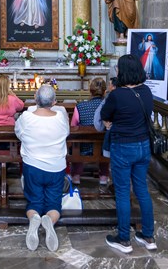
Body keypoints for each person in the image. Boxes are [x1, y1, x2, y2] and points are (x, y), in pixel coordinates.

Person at [101, 54, 157, 253]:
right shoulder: (147, 91)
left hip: (123, 146)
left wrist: (111, 123)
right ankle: (148, 236)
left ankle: (124, 238)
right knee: (141, 189)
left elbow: (105, 115)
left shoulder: (117, 95)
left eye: (118, 68)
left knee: (123, 192)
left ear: (122, 71)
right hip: (143, 145)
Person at [14, 85, 70, 252]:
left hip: (33, 166)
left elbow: (18, 132)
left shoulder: (26, 117)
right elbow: (66, 132)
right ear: (54, 101)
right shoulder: (61, 117)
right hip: (56, 167)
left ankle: (34, 220)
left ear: (35, 98)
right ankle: (50, 221)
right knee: (54, 203)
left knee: (34, 201)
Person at [70, 77, 110, 186]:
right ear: (104, 91)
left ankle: (76, 175)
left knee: (76, 142)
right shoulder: (108, 106)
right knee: (104, 141)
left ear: (90, 91)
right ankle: (104, 176)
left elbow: (73, 126)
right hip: (103, 148)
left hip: (84, 148)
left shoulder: (80, 106)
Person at [93, 77, 120, 158]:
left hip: (114, 136)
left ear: (114, 87)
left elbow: (99, 118)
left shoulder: (110, 98)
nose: (108, 87)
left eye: (109, 84)